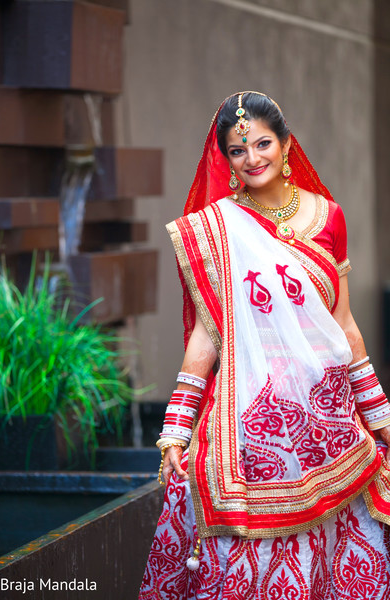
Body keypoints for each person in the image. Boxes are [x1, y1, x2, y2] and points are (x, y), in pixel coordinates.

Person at [139, 91, 390, 599]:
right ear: (226, 158)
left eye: (262, 144)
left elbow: (344, 325)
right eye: (238, 150)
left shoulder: (329, 217)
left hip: (329, 418)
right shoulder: (220, 231)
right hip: (249, 419)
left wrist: (380, 416)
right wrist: (175, 431)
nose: (252, 158)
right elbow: (206, 335)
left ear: (286, 144)